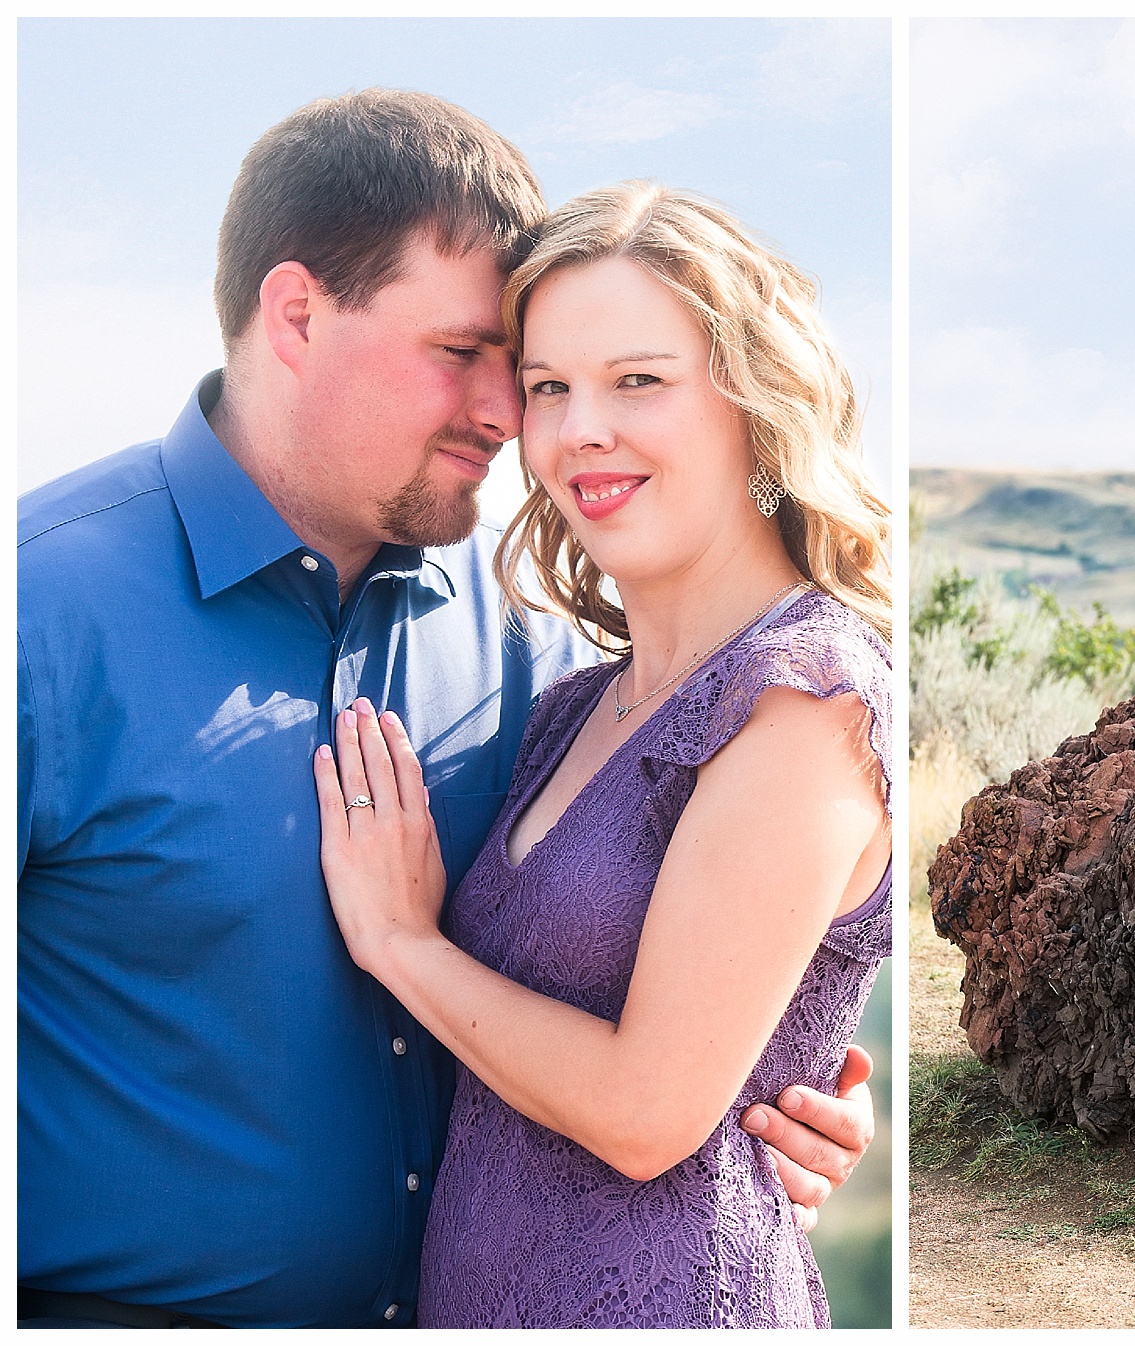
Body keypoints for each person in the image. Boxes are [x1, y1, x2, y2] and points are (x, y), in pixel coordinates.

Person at [17, 91, 874, 1331]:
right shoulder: (36, 615)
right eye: (476, 356)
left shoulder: (540, 639)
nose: (512, 418)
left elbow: (662, 987)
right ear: (299, 313)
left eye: (516, 370)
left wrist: (779, 1099)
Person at [312, 181, 892, 1329]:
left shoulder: (806, 698)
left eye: (640, 380)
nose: (583, 428)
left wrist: (397, 941)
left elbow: (646, 1111)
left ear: (752, 401)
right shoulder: (572, 704)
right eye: (548, 388)